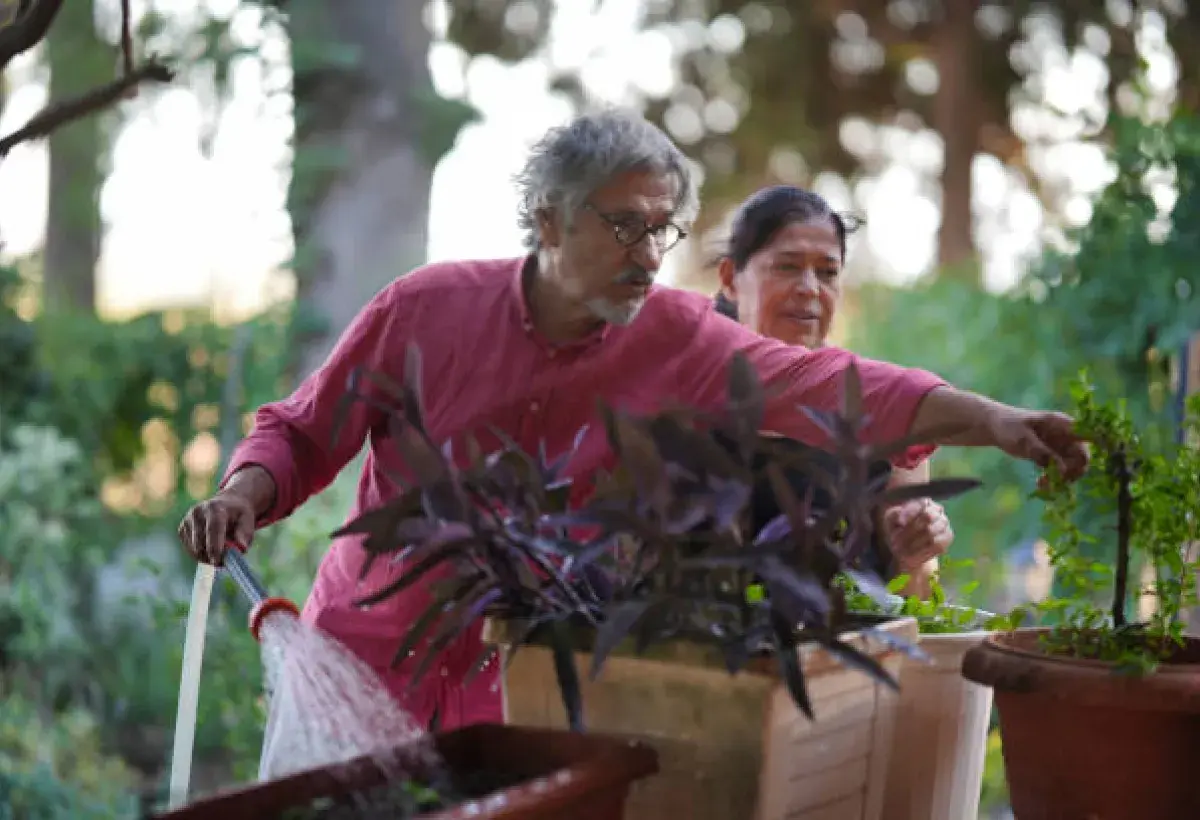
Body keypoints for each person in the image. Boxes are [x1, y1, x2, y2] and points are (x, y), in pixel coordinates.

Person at [178, 109, 1087, 733]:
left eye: (663, 229)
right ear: (548, 220)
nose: (649, 254)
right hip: (361, 667)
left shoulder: (680, 338)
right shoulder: (424, 309)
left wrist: (996, 421)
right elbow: (302, 431)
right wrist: (242, 494)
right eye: (624, 227)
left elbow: (837, 383)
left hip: (523, 687)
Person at [714, 185, 950, 596]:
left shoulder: (883, 408)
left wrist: (917, 553)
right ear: (730, 279)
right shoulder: (679, 401)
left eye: (827, 272)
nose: (809, 288)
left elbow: (916, 599)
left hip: (852, 635)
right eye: (787, 267)